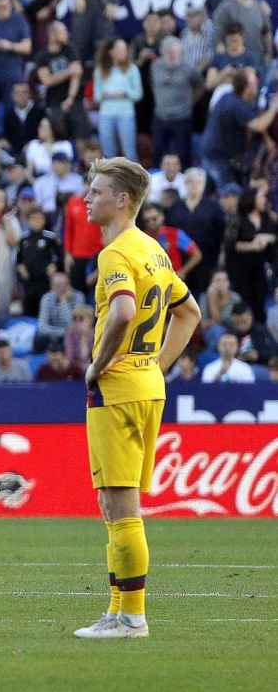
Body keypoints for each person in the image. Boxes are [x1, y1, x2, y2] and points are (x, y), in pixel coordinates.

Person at [73, 157, 202, 640]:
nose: (88, 197)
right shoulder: (156, 251)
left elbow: (124, 311)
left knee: (120, 506)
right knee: (115, 504)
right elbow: (189, 313)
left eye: (97, 189)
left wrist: (98, 364)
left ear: (122, 199)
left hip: (119, 387)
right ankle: (118, 611)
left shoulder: (116, 254)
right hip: (147, 385)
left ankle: (131, 618)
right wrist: (157, 365)